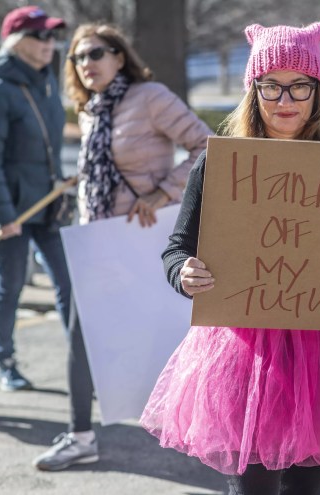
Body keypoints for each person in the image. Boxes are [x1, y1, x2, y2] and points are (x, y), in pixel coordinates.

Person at [139, 22, 320, 495]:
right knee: (252, 487)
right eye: (272, 86)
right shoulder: (220, 161)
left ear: (317, 92)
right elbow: (175, 249)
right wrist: (184, 273)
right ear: (253, 90)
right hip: (243, 349)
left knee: (305, 487)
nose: (286, 100)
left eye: (299, 86)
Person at [32, 23, 211, 471]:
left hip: (144, 238)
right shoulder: (90, 108)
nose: (86, 64)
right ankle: (80, 434)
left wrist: (162, 192)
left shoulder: (150, 97)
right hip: (98, 240)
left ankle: (207, 429)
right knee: (82, 336)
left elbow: (206, 146)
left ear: (119, 55)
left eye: (95, 53)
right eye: (77, 57)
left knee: (168, 337)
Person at [0, 6, 70, 392]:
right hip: (11, 210)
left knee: (67, 283)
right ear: (17, 42)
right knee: (10, 285)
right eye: (41, 36)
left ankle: (84, 364)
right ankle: (3, 361)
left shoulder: (46, 82)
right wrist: (2, 215)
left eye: (52, 36)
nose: (50, 44)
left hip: (46, 206)